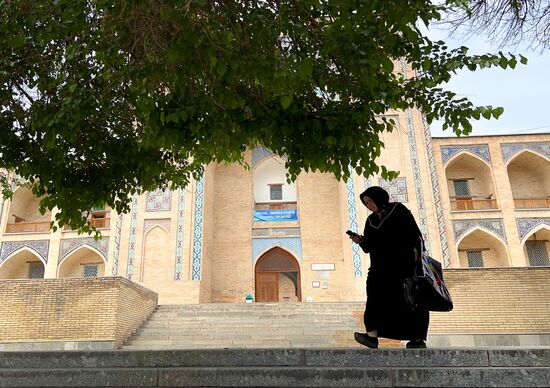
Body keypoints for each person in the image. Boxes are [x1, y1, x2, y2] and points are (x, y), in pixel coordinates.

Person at [348, 186, 429, 349]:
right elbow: (368, 247)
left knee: (408, 301)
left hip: (402, 266)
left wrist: (417, 257)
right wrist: (360, 241)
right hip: (379, 268)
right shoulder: (370, 221)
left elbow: (414, 234)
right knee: (374, 299)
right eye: (366, 203)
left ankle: (417, 339)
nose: (368, 205)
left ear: (379, 198)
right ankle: (371, 336)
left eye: (370, 201)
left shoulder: (398, 210)